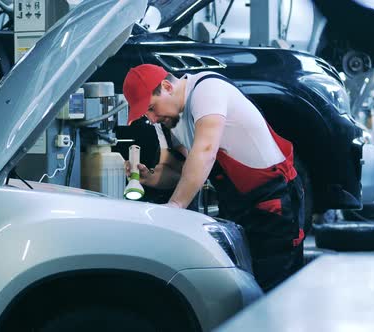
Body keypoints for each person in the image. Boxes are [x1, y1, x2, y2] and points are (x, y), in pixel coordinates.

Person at [122, 64, 305, 291]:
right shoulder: (168, 119)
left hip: (273, 201)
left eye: (151, 108)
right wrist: (150, 179)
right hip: (238, 205)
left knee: (277, 289)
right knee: (246, 288)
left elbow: (205, 151)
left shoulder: (207, 90)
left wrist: (175, 206)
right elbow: (175, 171)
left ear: (167, 87)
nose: (151, 117)